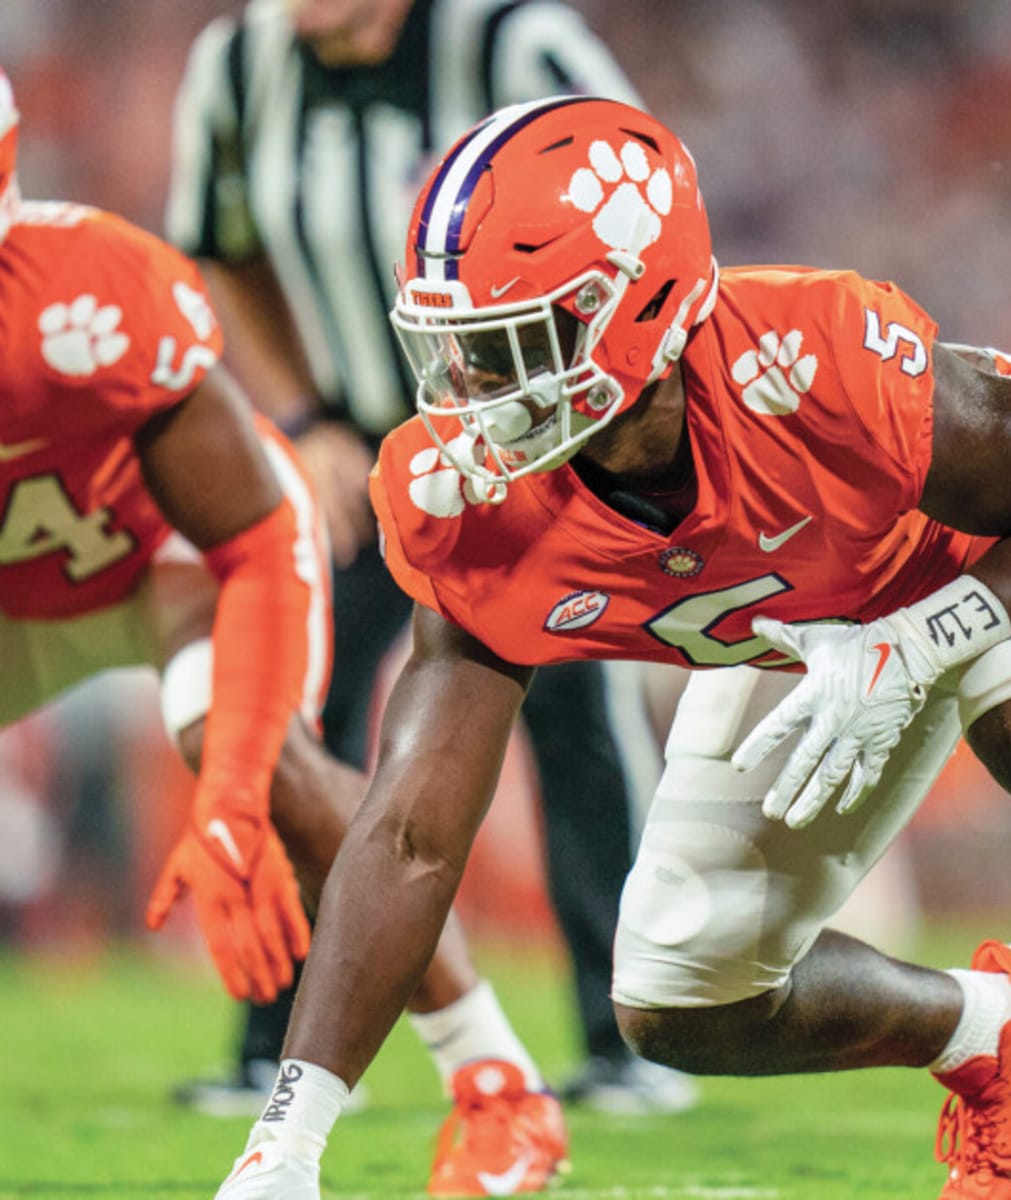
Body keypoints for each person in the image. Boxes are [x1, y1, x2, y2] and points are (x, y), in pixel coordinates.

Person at [212, 95, 1011, 1199]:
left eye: (513, 346)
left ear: (638, 310)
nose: (474, 392)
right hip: (809, 625)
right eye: (458, 350)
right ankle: (1003, 1036)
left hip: (1000, 557)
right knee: (685, 997)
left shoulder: (814, 363)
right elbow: (407, 837)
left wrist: (924, 641)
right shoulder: (467, 503)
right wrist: (288, 1144)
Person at [0, 68, 568, 1196]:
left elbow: (251, 542)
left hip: (167, 562)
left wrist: (230, 784)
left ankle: (498, 1085)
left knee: (265, 773)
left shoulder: (94, 298)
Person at [165, 0, 694, 1123]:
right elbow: (222, 248)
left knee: (577, 722)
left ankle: (633, 1030)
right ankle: (276, 1042)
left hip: (534, 441)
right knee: (280, 713)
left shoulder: (516, 45)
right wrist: (306, 415)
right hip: (357, 453)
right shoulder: (239, 65)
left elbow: (653, 231)